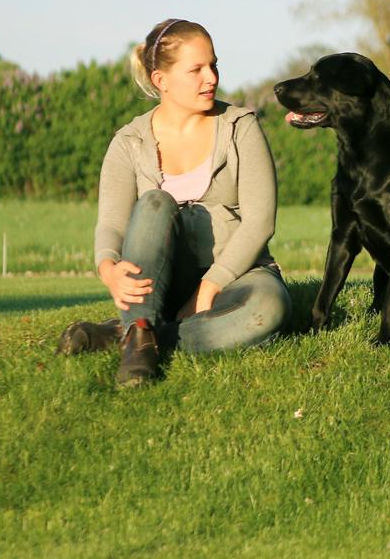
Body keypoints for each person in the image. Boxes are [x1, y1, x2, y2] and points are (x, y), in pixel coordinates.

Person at [57, 19, 291, 387]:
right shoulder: (128, 142)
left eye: (213, 65)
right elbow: (112, 224)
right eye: (196, 69)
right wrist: (107, 269)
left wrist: (210, 287)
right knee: (153, 203)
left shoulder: (240, 126)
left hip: (238, 275)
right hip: (163, 283)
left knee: (269, 309)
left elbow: (260, 221)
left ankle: (137, 339)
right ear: (160, 80)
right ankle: (140, 329)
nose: (210, 77)